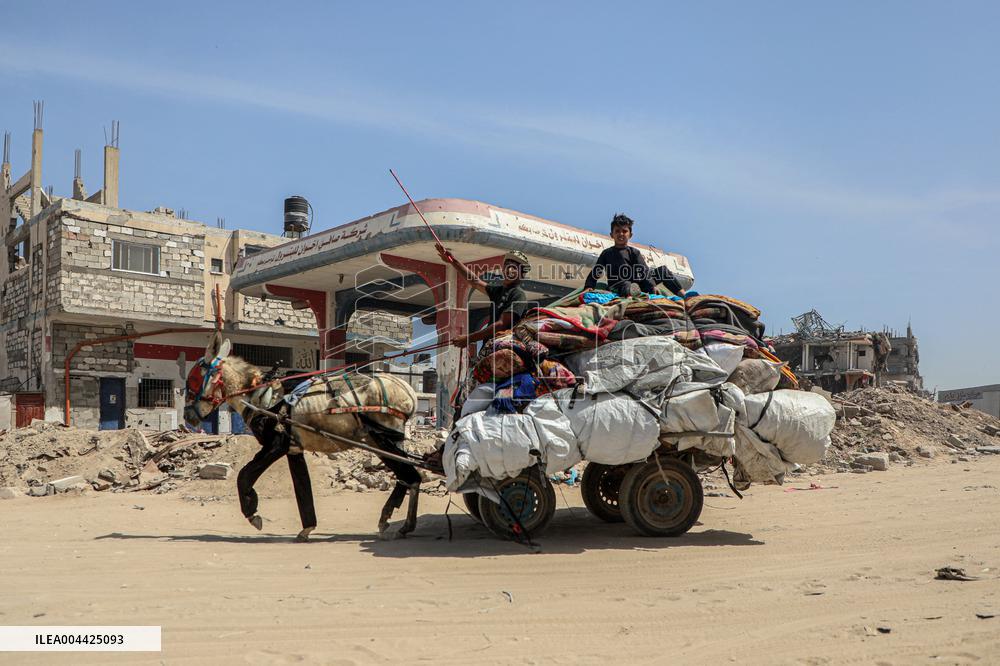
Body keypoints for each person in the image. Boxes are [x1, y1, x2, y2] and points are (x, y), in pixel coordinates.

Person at [435, 243, 532, 348]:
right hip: (491, 347)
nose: (509, 270)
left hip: (506, 348)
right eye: (507, 265)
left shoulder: (518, 295)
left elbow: (502, 324)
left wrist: (469, 338)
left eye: (514, 267)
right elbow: (475, 281)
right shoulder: (498, 291)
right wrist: (452, 261)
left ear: (522, 274)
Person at [584, 213, 656, 296]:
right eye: (617, 231)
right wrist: (589, 286)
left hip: (636, 285)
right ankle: (630, 295)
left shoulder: (634, 252)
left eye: (624, 231)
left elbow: (644, 271)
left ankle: (674, 294)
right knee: (627, 284)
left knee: (663, 271)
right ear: (612, 235)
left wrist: (652, 285)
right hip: (617, 287)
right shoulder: (606, 253)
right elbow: (596, 271)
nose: (621, 234)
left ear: (630, 235)